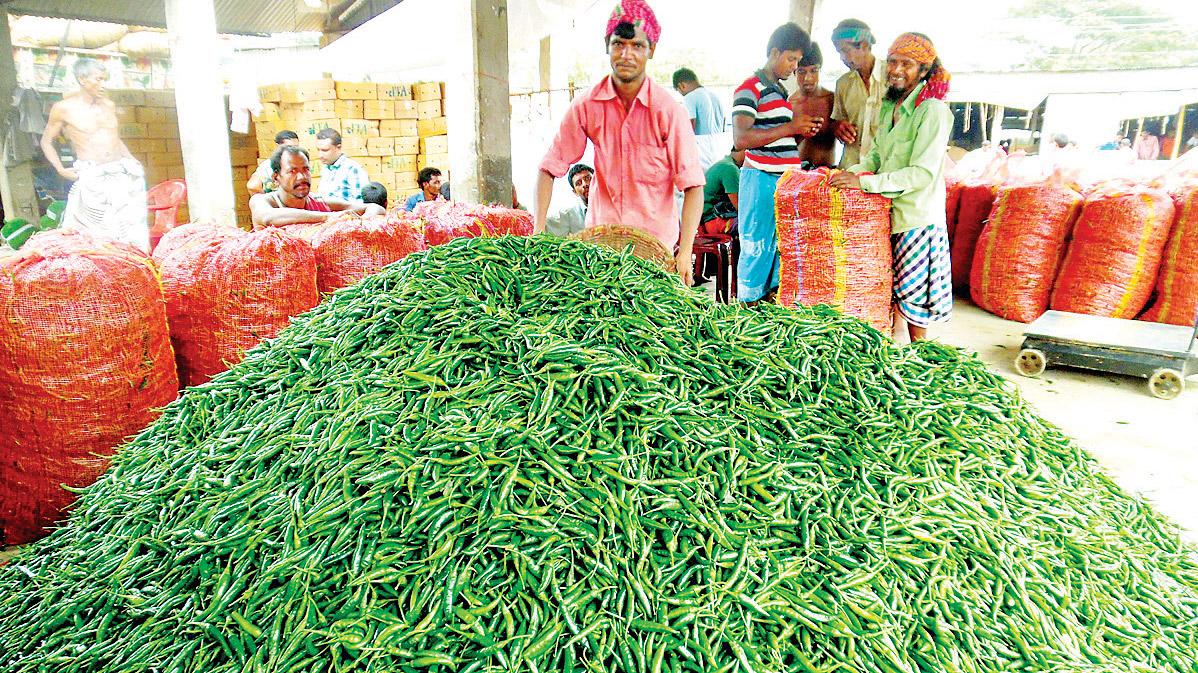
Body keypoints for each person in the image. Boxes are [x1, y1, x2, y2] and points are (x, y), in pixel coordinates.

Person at [534, 0, 705, 285]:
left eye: (637, 46)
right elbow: (549, 168)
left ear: (651, 50)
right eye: (618, 44)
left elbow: (693, 186)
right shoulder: (587, 105)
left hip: (656, 251)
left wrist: (685, 251)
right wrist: (538, 232)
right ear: (607, 45)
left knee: (652, 326)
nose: (627, 54)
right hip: (602, 249)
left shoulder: (667, 111)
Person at [830, 32, 954, 342]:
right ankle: (907, 356)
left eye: (907, 64)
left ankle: (921, 358)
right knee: (895, 293)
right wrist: (846, 173)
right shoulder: (891, 105)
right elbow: (875, 155)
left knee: (913, 303)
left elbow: (921, 173)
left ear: (924, 69)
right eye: (894, 62)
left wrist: (866, 182)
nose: (897, 69)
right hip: (890, 211)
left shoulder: (932, 111)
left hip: (917, 218)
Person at [732, 22, 819, 303]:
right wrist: (790, 127)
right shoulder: (750, 88)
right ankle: (746, 315)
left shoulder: (779, 92)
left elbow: (777, 142)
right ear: (774, 52)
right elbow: (742, 138)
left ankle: (767, 314)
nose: (794, 67)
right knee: (756, 248)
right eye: (791, 59)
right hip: (759, 180)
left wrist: (801, 131)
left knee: (778, 252)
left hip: (781, 181)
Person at [40, 58, 149, 251]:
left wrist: (133, 161)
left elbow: (115, 138)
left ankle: (134, 268)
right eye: (98, 79)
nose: (103, 85)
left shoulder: (108, 105)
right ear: (82, 79)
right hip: (93, 177)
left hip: (120, 173)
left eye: (104, 80)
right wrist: (60, 169)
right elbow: (46, 141)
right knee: (95, 237)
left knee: (130, 232)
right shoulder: (64, 108)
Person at [250, 145, 380, 229]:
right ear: (276, 177)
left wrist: (363, 223)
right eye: (293, 171)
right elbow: (268, 217)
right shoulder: (262, 201)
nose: (302, 177)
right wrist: (326, 217)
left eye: (306, 170)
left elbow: (375, 208)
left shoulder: (319, 202)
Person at [830, 19, 887, 169]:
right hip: (850, 168)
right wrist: (838, 127)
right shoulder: (843, 84)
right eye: (839, 52)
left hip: (883, 171)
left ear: (864, 45)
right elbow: (838, 120)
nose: (842, 58)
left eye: (845, 50)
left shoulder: (892, 76)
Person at [790, 43, 836, 168]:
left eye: (814, 71)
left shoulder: (832, 100)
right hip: (798, 173)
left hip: (828, 173)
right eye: (801, 71)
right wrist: (800, 134)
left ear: (820, 70)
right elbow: (783, 147)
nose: (808, 78)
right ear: (794, 72)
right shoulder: (789, 104)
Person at [673, 67, 726, 171]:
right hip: (720, 147)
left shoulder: (690, 97)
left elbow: (690, 124)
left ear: (681, 85)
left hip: (702, 148)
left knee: (701, 184)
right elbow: (723, 123)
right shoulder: (714, 96)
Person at [314, 128, 370, 202]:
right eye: (318, 150)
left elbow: (362, 203)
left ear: (338, 147)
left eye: (325, 150)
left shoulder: (352, 169)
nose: (320, 155)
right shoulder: (326, 169)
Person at [700, 148, 742, 235]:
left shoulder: (724, 163)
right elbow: (740, 208)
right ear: (745, 150)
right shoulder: (730, 169)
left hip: (707, 220)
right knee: (759, 222)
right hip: (714, 222)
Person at [546, 163, 592, 237]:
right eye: (578, 183)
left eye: (588, 178)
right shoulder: (570, 216)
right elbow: (545, 224)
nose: (584, 184)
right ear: (575, 192)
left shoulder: (614, 204)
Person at [247, 130, 300, 195]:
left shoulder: (299, 163)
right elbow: (252, 186)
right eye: (289, 147)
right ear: (278, 146)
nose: (293, 151)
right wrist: (269, 201)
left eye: (296, 148)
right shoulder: (268, 165)